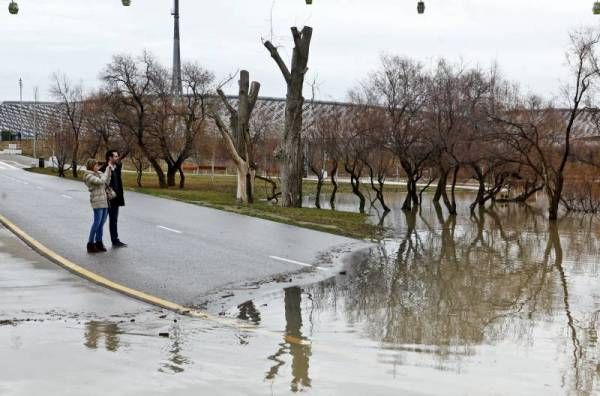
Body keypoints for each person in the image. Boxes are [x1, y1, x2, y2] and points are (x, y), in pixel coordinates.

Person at [83, 159, 112, 254]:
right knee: (97, 223)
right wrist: (106, 170)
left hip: (104, 200)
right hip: (97, 201)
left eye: (97, 165)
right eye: (96, 165)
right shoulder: (88, 176)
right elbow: (100, 182)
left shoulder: (99, 173)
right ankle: (90, 243)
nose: (97, 167)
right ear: (91, 166)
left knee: (101, 223)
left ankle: (99, 242)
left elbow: (106, 181)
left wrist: (109, 172)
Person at [100, 150, 127, 248]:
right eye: (115, 156)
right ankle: (98, 241)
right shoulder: (104, 168)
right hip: (106, 198)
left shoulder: (118, 167)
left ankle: (115, 241)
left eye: (117, 156)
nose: (117, 158)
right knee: (101, 221)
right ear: (110, 158)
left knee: (114, 220)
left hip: (115, 199)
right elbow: (101, 183)